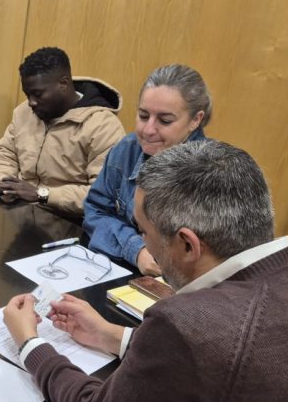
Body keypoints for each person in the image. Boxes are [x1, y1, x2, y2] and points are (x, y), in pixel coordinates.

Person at [3, 140, 288, 402]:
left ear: (187, 245)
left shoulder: (185, 323)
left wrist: (31, 345)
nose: (142, 242)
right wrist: (112, 336)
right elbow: (214, 364)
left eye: (143, 231)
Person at [83, 64, 210, 275]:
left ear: (195, 120)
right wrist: (137, 249)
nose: (148, 130)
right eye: (143, 116)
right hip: (123, 270)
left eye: (165, 120)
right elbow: (95, 211)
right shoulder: (126, 149)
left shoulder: (212, 171)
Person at [0, 47, 124, 216]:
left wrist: (42, 194)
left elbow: (104, 196)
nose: (31, 103)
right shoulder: (24, 112)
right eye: (27, 95)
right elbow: (5, 154)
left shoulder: (103, 126)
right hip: (20, 212)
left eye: (37, 94)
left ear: (63, 84)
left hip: (71, 221)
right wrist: (1, 186)